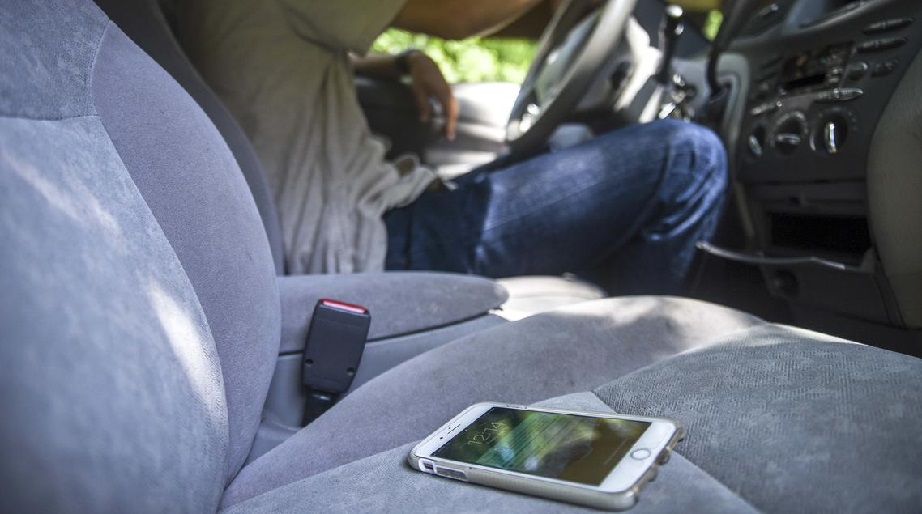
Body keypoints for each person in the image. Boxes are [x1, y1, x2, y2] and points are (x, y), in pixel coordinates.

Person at [175, 0, 727, 294]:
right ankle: (639, 382)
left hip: (352, 225)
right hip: (363, 246)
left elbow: (279, 50)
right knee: (687, 160)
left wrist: (399, 60)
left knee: (556, 153)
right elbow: (462, 13)